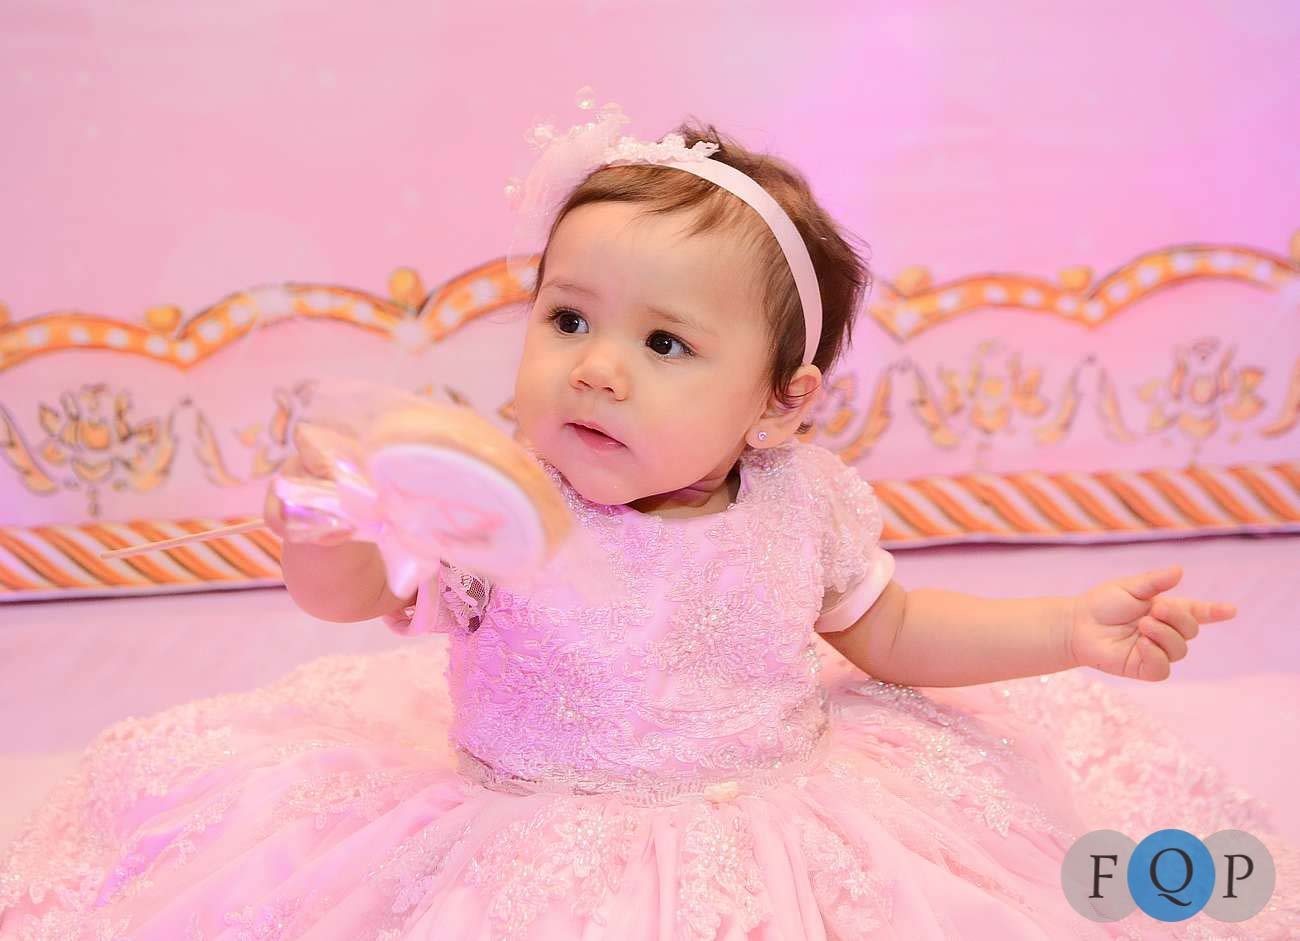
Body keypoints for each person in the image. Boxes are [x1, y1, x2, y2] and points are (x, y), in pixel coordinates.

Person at [2, 109, 1296, 940]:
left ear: (781, 404)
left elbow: (895, 630)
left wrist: (1064, 627)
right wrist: (329, 514)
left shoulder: (802, 502)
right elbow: (351, 594)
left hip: (779, 798)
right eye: (568, 317)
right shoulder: (505, 505)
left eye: (665, 342)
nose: (597, 367)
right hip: (523, 815)